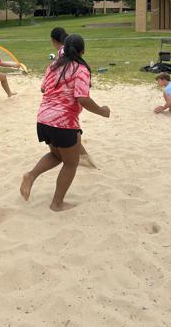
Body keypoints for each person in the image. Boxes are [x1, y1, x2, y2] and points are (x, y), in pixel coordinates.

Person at [20, 34, 110, 212]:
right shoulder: (81, 69)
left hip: (43, 119)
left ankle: (30, 176)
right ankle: (57, 203)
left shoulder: (52, 66)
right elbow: (83, 99)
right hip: (63, 123)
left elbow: (43, 88)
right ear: (83, 51)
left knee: (57, 156)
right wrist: (102, 111)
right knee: (71, 164)